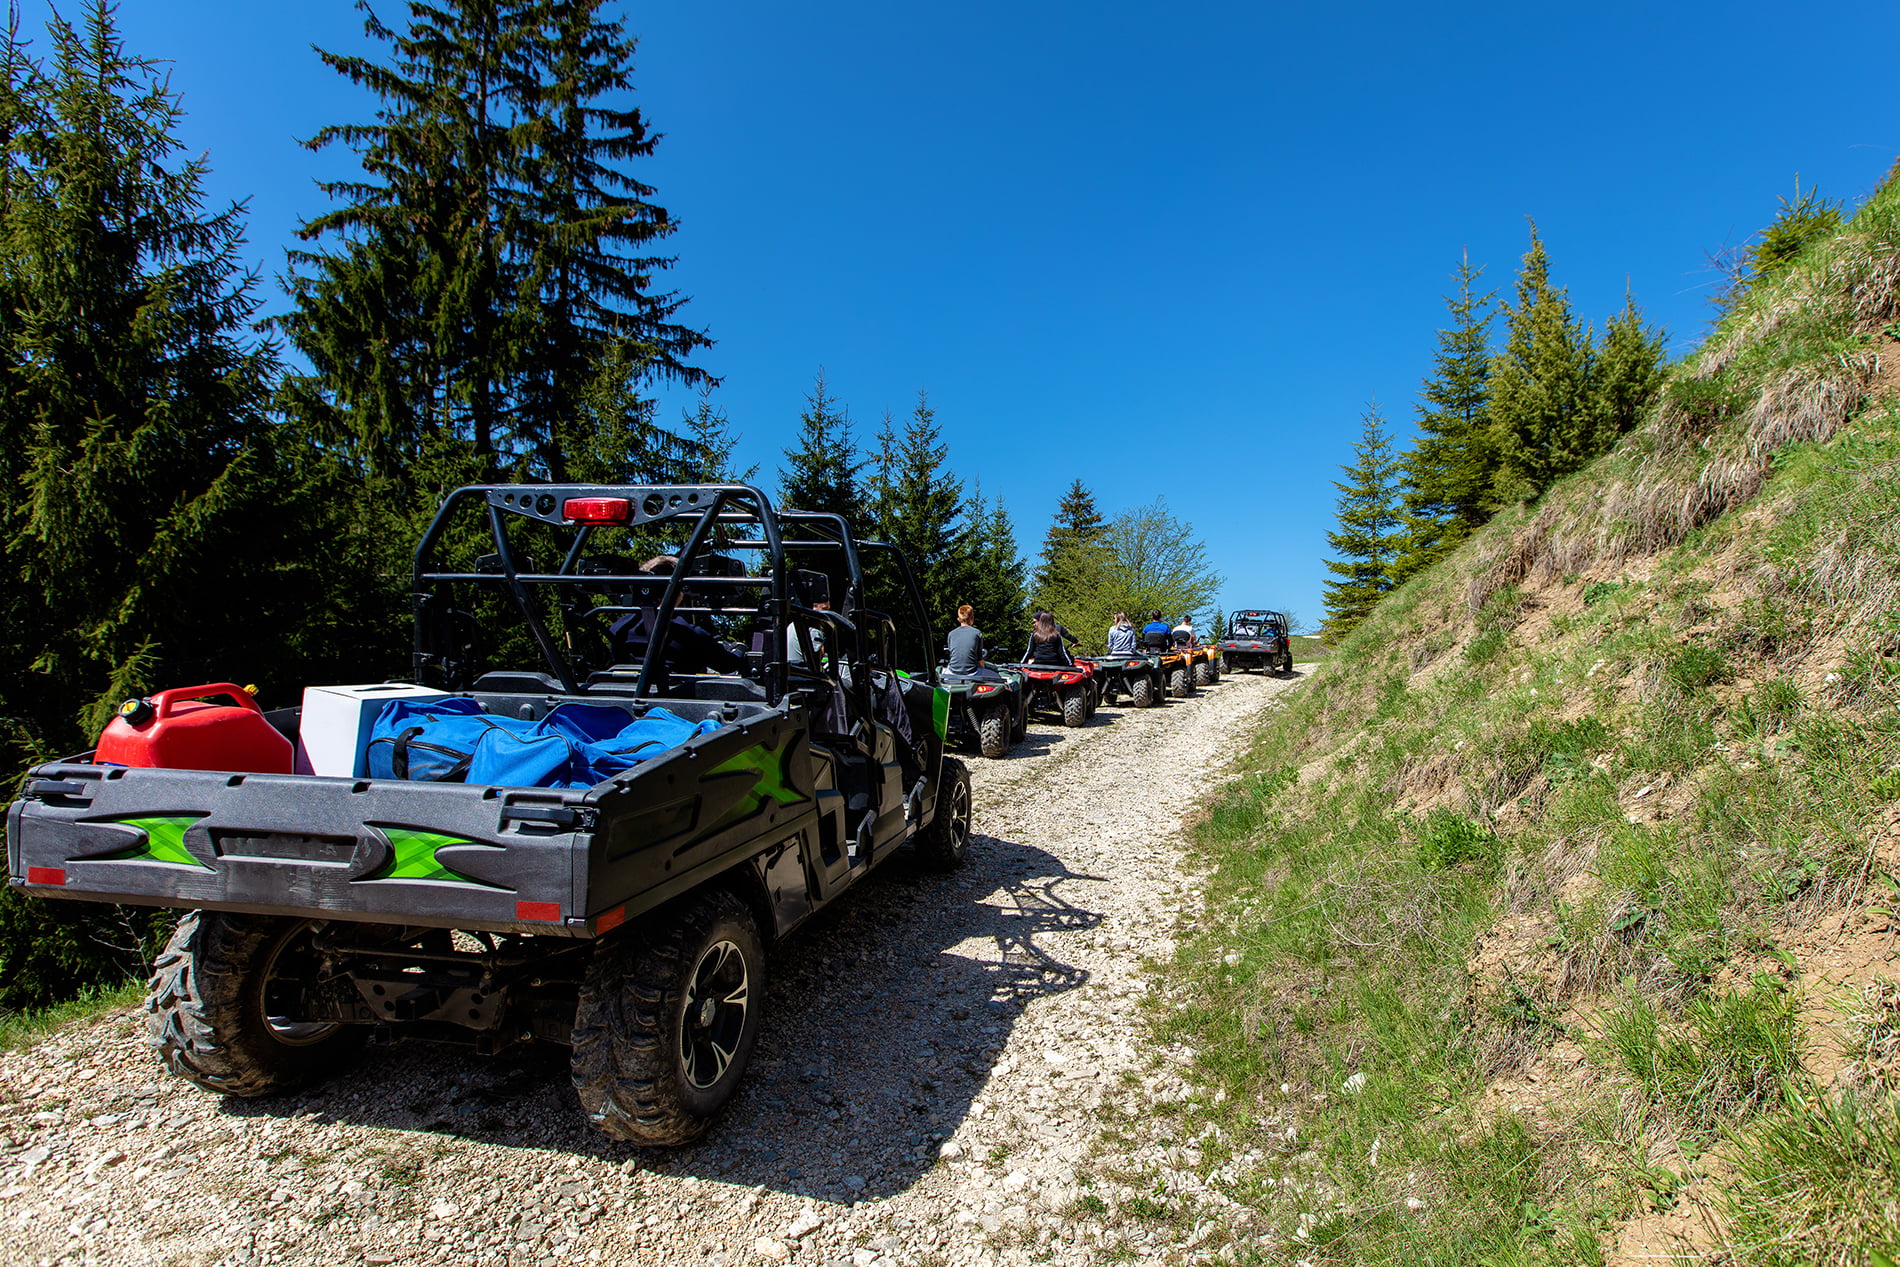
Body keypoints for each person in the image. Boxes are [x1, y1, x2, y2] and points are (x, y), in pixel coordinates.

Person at [609, 555, 744, 676]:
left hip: (625, 695)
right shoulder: (688, 633)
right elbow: (728, 665)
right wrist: (739, 649)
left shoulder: (618, 628)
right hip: (677, 698)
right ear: (678, 589)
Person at [944, 604, 1004, 681]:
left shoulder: (951, 634)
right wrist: (983, 670)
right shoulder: (977, 633)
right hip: (972, 673)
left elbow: (952, 654)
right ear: (972, 618)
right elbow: (979, 659)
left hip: (952, 672)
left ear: (958, 619)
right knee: (998, 678)